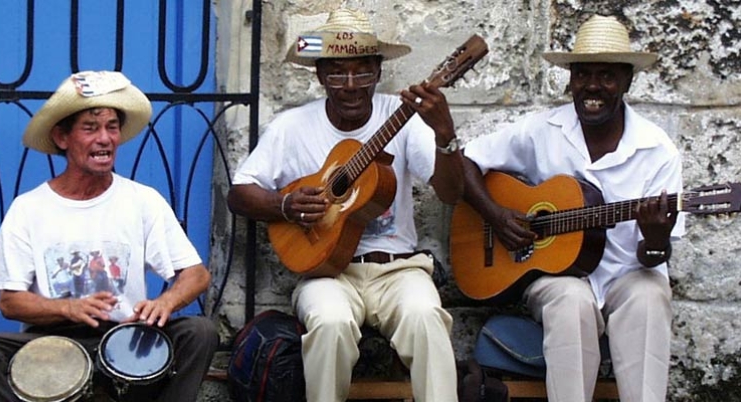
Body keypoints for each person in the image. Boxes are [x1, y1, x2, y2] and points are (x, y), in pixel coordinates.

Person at [227, 8, 463, 402]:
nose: (350, 85)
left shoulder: (400, 118)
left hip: (398, 270)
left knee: (426, 317)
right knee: (329, 322)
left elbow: (451, 192)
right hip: (325, 274)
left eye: (362, 72)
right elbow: (239, 193)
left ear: (378, 71)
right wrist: (284, 204)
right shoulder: (292, 126)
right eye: (337, 72)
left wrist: (445, 133)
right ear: (319, 75)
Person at [462, 15, 684, 402]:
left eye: (607, 76)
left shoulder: (657, 149)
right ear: (570, 80)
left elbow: (654, 258)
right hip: (558, 276)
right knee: (570, 300)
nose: (592, 86)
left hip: (628, 277)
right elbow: (464, 163)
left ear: (627, 81)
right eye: (582, 75)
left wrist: (656, 238)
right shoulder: (541, 130)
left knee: (650, 296)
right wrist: (497, 215)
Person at [0, 71, 218, 402]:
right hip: (52, 341)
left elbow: (196, 274)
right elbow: (10, 301)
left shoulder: (142, 200)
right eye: (90, 128)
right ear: (62, 138)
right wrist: (69, 308)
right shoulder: (28, 208)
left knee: (199, 332)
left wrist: (166, 302)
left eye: (112, 127)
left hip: (127, 337)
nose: (105, 138)